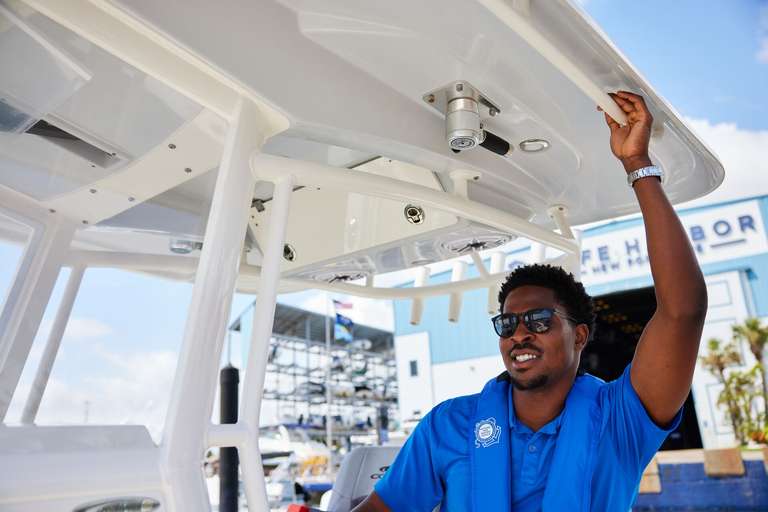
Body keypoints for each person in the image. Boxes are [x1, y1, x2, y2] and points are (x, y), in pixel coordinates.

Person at [351, 91, 707, 511]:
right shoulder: (448, 426)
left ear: (578, 336)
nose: (519, 334)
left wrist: (637, 164)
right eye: (507, 324)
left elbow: (683, 311)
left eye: (538, 320)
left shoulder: (622, 420)